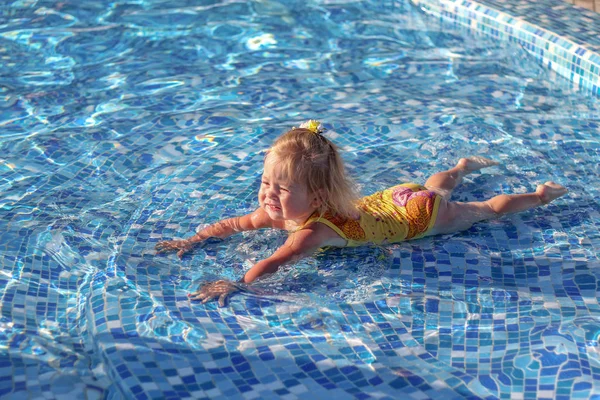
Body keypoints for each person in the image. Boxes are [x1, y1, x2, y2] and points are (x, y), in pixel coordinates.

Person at [155, 120, 568, 306]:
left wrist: (236, 284)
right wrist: (195, 238)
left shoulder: (311, 232)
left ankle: (537, 195)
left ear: (317, 198)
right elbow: (235, 224)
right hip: (395, 198)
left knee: (484, 210)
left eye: (281, 190)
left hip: (416, 218)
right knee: (435, 185)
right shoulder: (278, 210)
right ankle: (460, 167)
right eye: (265, 184)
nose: (268, 197)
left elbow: (274, 262)